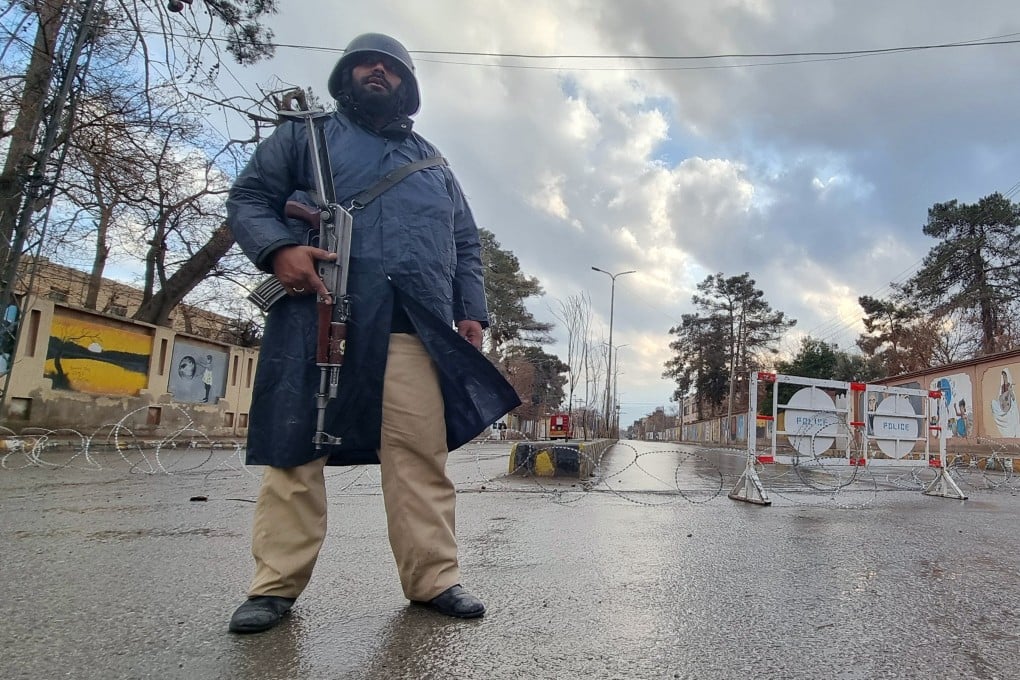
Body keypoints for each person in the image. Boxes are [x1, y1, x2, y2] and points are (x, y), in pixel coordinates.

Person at [225, 32, 520, 634]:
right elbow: (250, 198)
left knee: (420, 454)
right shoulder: (305, 136)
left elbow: (466, 244)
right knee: (296, 451)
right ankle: (274, 586)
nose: (377, 71)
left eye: (390, 67)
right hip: (318, 312)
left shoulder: (435, 164)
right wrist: (278, 249)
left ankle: (434, 579)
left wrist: (472, 311)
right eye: (365, 63)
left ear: (407, 86)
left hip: (414, 321)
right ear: (345, 77)